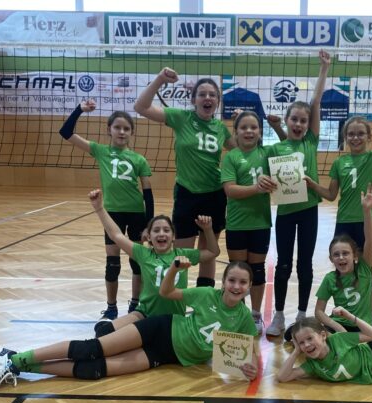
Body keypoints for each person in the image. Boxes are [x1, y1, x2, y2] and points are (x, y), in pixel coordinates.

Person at [0, 260, 259, 394]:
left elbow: (251, 353)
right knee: (91, 349)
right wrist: (174, 270)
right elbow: (166, 292)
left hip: (166, 356)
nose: (236, 286)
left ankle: (18, 365)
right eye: (232, 280)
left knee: (95, 370)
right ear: (224, 281)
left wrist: (250, 368)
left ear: (249, 287)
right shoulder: (206, 294)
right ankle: (15, 357)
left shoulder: (245, 318)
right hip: (160, 329)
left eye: (242, 283)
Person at [305, 117, 372, 334]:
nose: (355, 138)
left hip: (365, 221)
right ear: (345, 137)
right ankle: (345, 316)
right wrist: (312, 184)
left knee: (366, 273)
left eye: (360, 134)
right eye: (351, 134)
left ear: (369, 137)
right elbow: (331, 195)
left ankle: (368, 319)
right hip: (344, 222)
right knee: (343, 270)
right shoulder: (339, 163)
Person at [134, 69, 235, 289]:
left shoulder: (221, 128)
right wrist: (160, 79)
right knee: (181, 253)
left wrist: (239, 124)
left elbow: (241, 152)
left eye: (212, 95)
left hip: (214, 196)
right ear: (193, 100)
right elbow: (140, 107)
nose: (207, 98)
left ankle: (204, 299)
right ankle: (177, 298)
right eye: (202, 94)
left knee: (208, 253)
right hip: (187, 195)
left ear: (218, 101)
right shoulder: (181, 118)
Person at [59, 100, 153, 320]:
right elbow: (66, 132)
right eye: (117, 127)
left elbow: (148, 193)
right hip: (112, 214)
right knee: (112, 264)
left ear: (131, 132)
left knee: (137, 263)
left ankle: (135, 305)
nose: (121, 132)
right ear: (108, 129)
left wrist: (149, 225)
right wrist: (80, 110)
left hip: (137, 214)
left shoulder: (139, 159)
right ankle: (111, 308)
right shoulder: (100, 151)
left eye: (126, 128)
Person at [87, 189, 220, 337]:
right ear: (149, 237)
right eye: (156, 230)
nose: (161, 233)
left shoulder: (183, 254)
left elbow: (213, 252)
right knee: (103, 332)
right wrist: (99, 208)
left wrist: (208, 229)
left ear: (173, 236)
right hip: (145, 313)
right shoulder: (143, 253)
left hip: (174, 318)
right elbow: (116, 234)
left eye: (166, 230)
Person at [265, 49, 331, 337]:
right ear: (287, 120)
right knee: (283, 265)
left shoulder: (311, 142)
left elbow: (316, 103)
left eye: (304, 121)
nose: (299, 124)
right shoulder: (276, 149)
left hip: (308, 211)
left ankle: (302, 316)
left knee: (305, 265)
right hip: (285, 212)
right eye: (295, 119)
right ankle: (279, 316)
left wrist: (323, 69)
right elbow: (266, 172)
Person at [221, 111, 279, 334]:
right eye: (243, 127)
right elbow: (230, 190)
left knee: (256, 270)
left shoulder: (267, 153)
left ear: (260, 132)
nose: (249, 131)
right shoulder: (231, 157)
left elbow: (289, 150)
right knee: (238, 271)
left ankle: (254, 315)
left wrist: (277, 126)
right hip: (236, 224)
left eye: (253, 127)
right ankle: (239, 314)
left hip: (260, 222)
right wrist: (257, 188)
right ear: (235, 132)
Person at [313, 184, 372, 337]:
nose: (341, 257)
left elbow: (369, 239)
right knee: (314, 336)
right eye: (336, 255)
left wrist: (367, 211)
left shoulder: (364, 269)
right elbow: (319, 311)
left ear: (355, 256)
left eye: (345, 253)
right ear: (331, 259)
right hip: (339, 327)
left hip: (362, 327)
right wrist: (338, 328)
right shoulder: (330, 279)